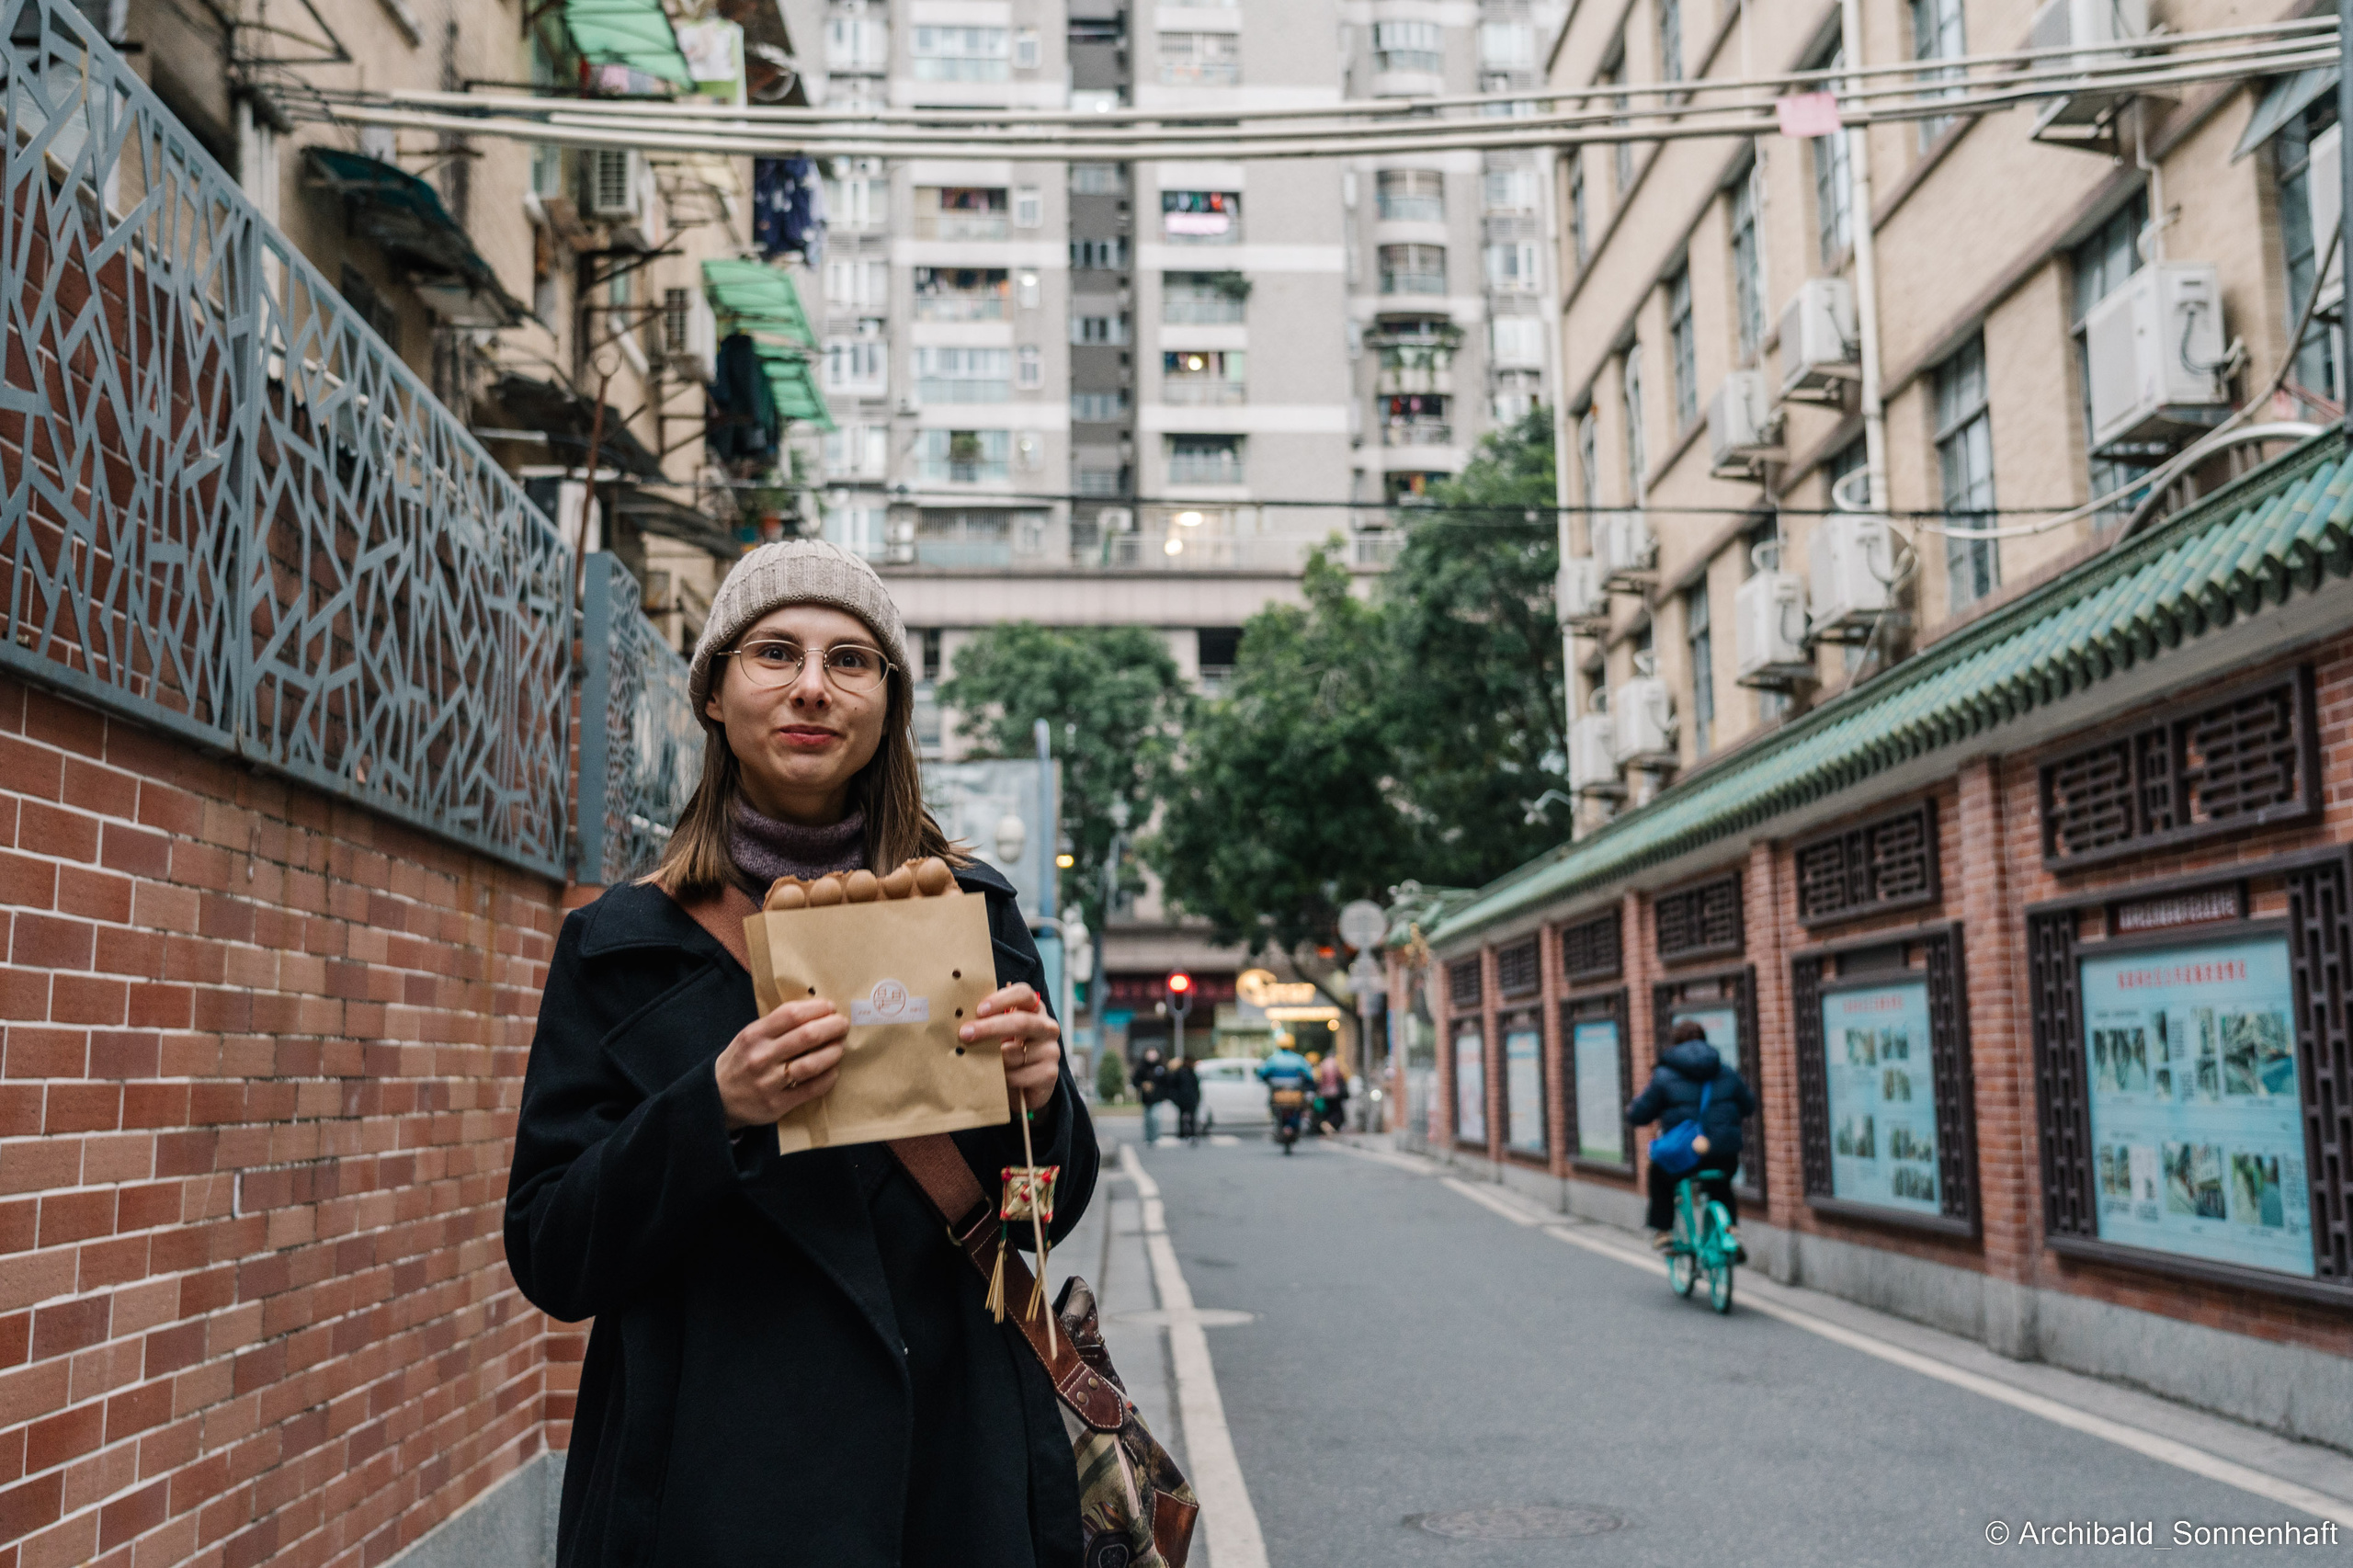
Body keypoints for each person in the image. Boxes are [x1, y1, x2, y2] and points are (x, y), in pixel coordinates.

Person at [506, 540, 1095, 1568]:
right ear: (715, 695)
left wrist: (1041, 1105)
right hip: (706, 1489)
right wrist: (715, 1106)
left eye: (851, 660)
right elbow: (554, 1250)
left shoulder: (973, 912)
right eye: (775, 652)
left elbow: (1032, 1214)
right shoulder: (619, 948)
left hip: (952, 1476)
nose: (812, 688)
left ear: (887, 704)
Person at [1626, 1020, 1756, 1256]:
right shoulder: (1725, 1071)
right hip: (1723, 1154)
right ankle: (1731, 1232)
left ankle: (1663, 1231)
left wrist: (1635, 1113)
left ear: (1675, 1044)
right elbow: (1749, 1106)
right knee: (1721, 1185)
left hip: (1684, 1157)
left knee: (1658, 1174)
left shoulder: (1664, 1075)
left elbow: (1639, 1114)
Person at [1131, 1047, 1168, 1143]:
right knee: (1148, 1119)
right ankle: (1148, 1138)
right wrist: (1143, 1084)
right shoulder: (1142, 1067)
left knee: (1155, 1118)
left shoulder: (1161, 1067)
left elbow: (1166, 1082)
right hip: (1146, 1098)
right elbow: (1135, 1080)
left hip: (1157, 1098)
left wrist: (1164, 1095)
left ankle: (1155, 1137)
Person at [1166, 1053, 1202, 1142]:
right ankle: (1184, 1133)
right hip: (1183, 1099)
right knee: (1185, 1116)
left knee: (1191, 1117)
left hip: (1190, 1099)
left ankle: (1190, 1133)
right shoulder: (1181, 1073)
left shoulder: (1191, 1073)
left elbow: (1196, 1087)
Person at [1314, 1049, 1349, 1134]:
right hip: (1335, 1092)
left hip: (1324, 1092)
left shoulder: (1322, 1064)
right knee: (1337, 1111)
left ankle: (1327, 1123)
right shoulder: (1337, 1063)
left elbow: (1317, 1077)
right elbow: (1344, 1075)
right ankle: (1329, 1123)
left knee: (1329, 1109)